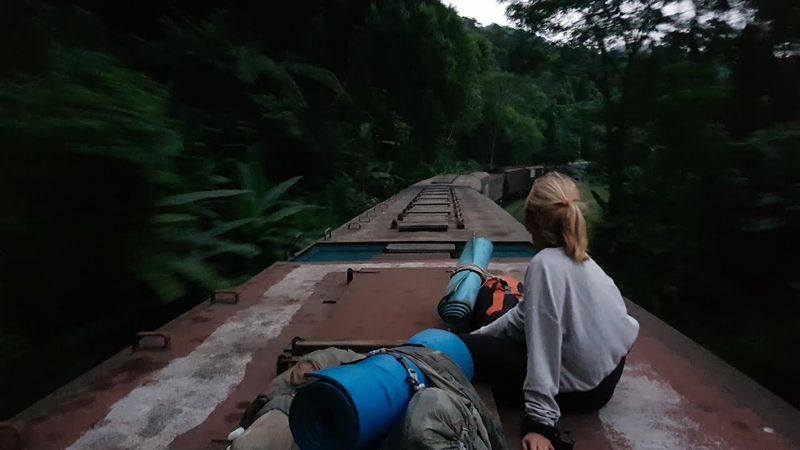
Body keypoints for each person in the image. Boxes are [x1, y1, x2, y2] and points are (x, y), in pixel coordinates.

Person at [460, 172, 640, 450]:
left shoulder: (545, 264)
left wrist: (541, 425)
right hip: (607, 374)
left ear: (531, 220)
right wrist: (481, 335)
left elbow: (545, 342)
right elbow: (523, 316)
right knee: (493, 316)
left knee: (461, 349)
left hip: (583, 391)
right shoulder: (582, 259)